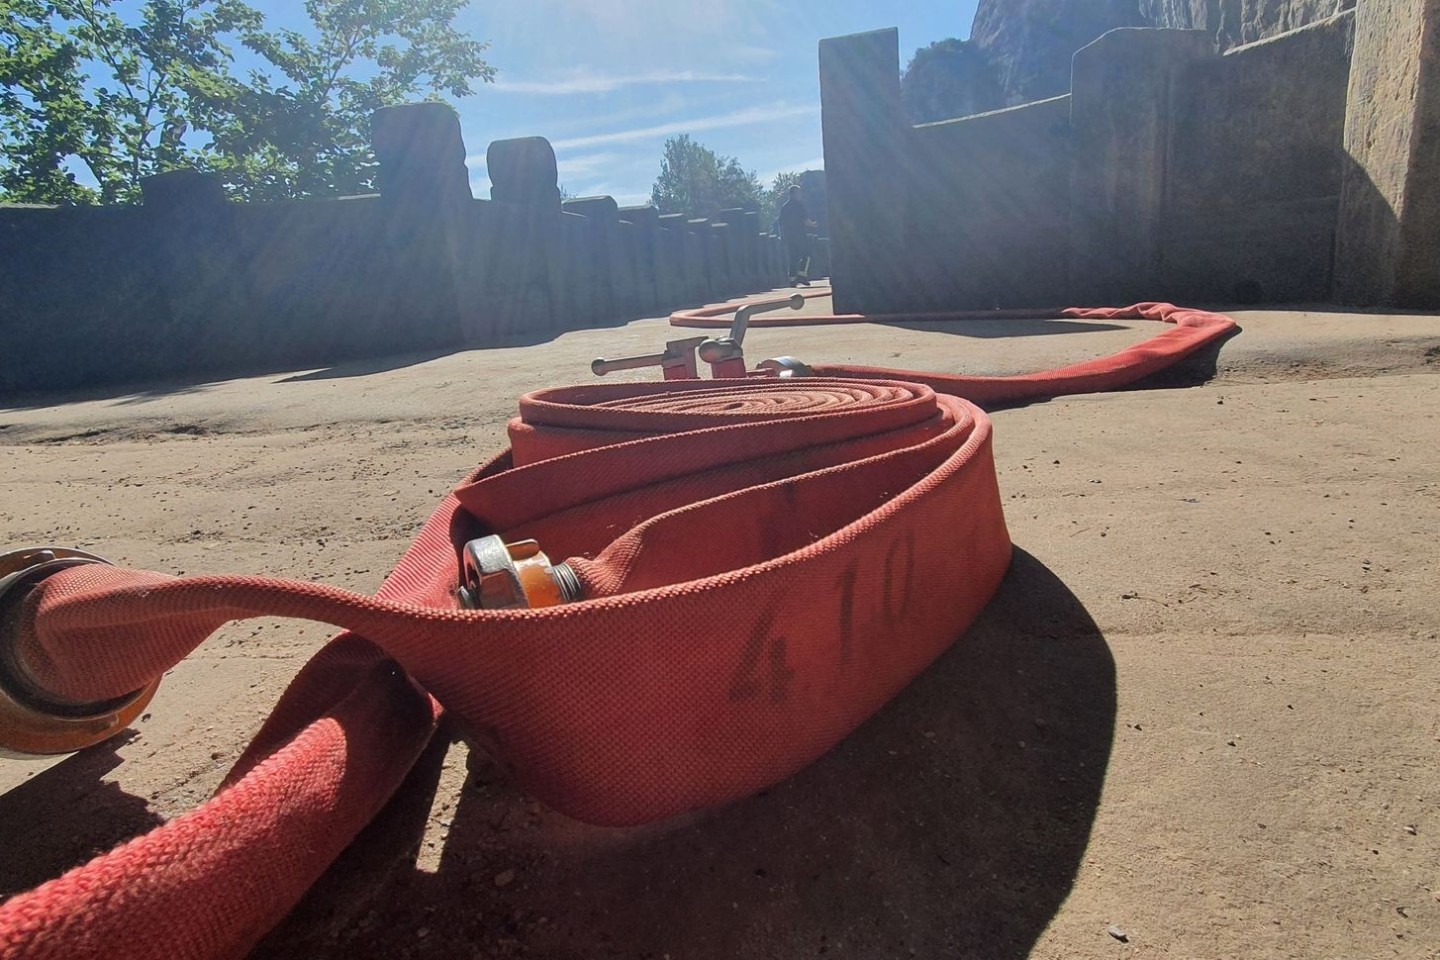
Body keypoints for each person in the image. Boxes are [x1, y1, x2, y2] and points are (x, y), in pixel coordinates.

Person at [778, 184, 813, 286]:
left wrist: (782, 236)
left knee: (793, 257)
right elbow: (806, 221)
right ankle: (802, 276)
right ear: (793, 194)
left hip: (789, 236)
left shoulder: (784, 207)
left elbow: (780, 223)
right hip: (800, 235)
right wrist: (813, 224)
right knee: (807, 254)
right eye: (799, 193)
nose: (800, 195)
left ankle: (792, 279)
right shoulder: (799, 205)